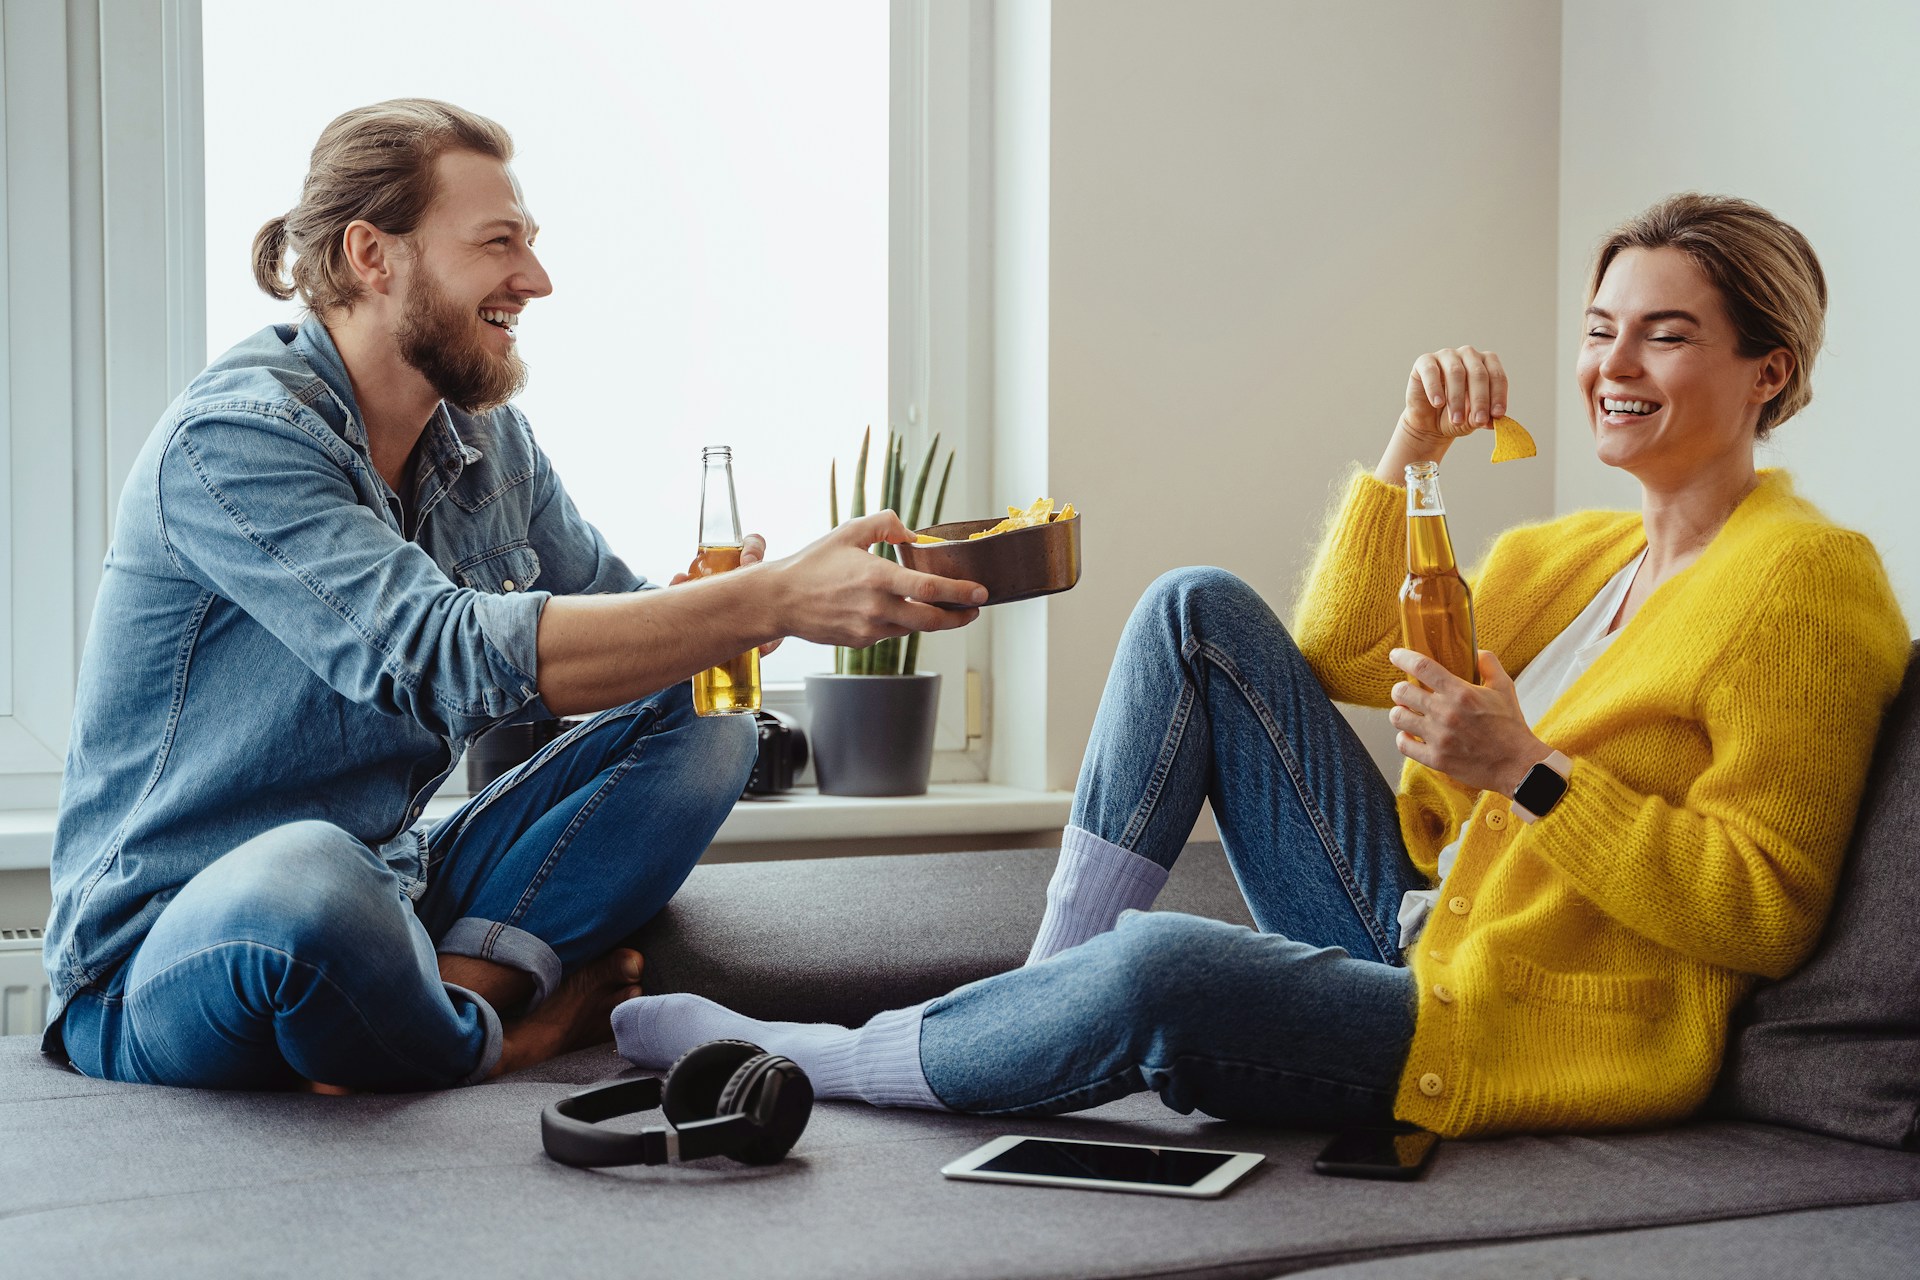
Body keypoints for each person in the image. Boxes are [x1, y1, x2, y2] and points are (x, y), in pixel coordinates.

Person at [613, 193, 1910, 1136]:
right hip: (1408, 920)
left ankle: (838, 1059)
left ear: (1766, 371)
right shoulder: (1567, 555)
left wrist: (1529, 774)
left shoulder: (1805, 580)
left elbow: (1767, 910)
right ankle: (1033, 994)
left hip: (1525, 1018)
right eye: (1598, 328)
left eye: (1665, 335)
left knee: (1168, 967)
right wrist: (1411, 445)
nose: (1612, 366)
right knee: (1195, 611)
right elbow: (1333, 649)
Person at [41, 99, 985, 1092]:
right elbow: (441, 652)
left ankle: (441, 991)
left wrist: (740, 600)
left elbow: (629, 642)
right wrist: (768, 601)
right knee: (313, 875)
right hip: (168, 949)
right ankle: (498, 1036)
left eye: (529, 244)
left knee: (711, 711)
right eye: (500, 244)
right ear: (375, 254)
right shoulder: (234, 440)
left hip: (392, 890)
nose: (534, 280)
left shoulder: (490, 444)